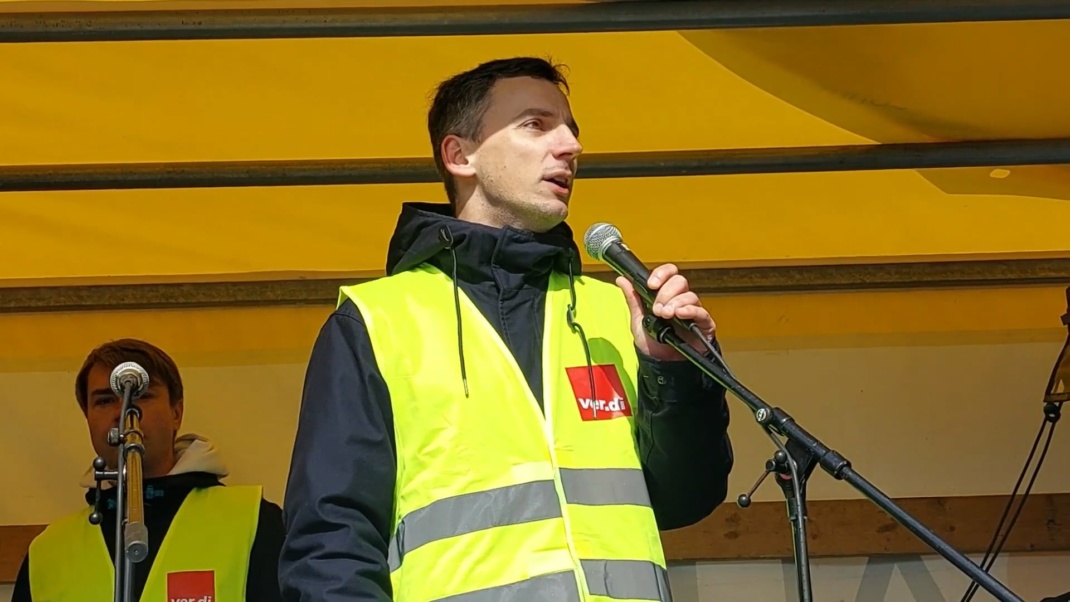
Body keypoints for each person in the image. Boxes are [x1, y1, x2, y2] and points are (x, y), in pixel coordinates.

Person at [279, 56, 734, 601]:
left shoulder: (620, 310)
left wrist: (675, 373)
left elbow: (687, 497)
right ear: (460, 155)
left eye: (571, 130)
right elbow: (331, 546)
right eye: (536, 125)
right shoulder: (376, 322)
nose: (570, 147)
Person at [12, 338, 285, 602]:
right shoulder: (47, 553)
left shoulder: (254, 522)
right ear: (88, 419)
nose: (124, 411)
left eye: (141, 395)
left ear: (176, 412)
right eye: (105, 400)